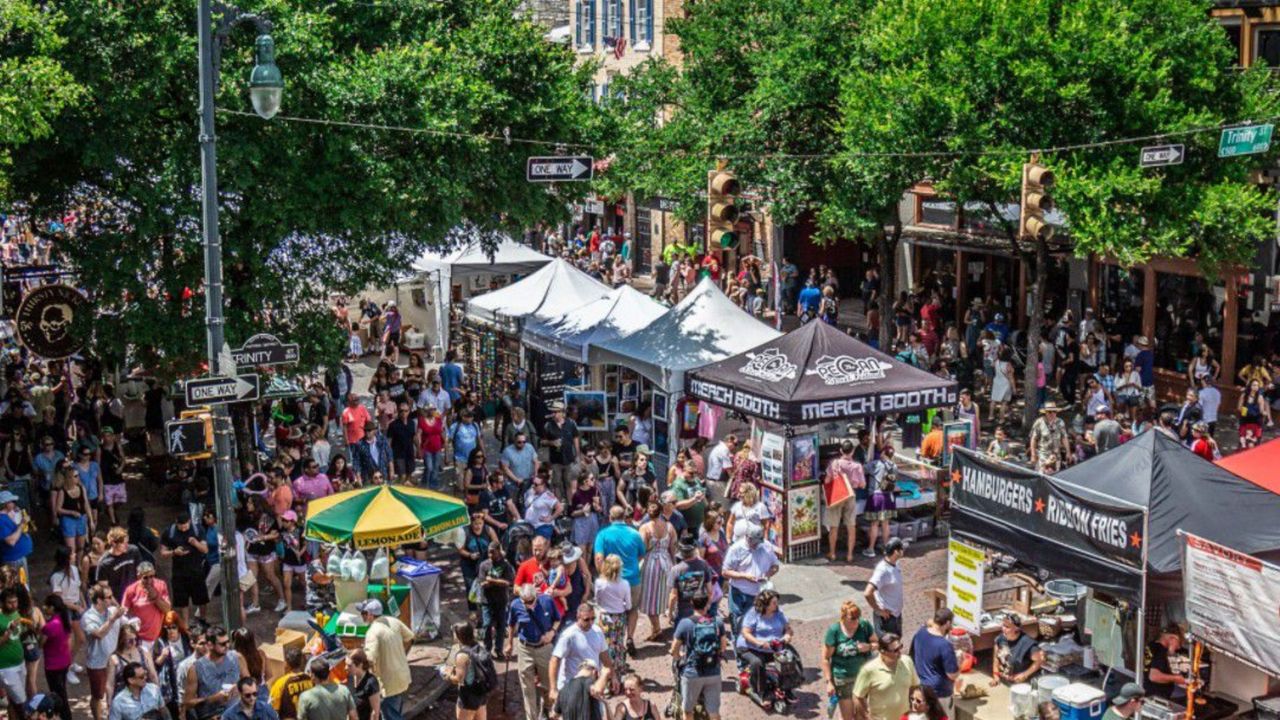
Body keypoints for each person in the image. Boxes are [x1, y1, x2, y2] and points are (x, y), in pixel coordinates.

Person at [593, 507, 645, 650]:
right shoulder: (635, 534)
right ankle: (630, 637)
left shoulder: (602, 534)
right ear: (624, 517)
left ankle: (613, 642)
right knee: (633, 609)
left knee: (611, 610)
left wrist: (604, 574)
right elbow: (641, 554)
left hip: (610, 580)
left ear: (610, 517)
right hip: (632, 579)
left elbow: (598, 558)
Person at [505, 584, 558, 720]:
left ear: (536, 595)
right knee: (527, 688)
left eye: (531, 601)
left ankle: (547, 707)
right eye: (525, 602)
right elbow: (511, 625)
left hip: (544, 648)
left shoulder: (547, 601)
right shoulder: (515, 605)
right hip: (525, 649)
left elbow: (557, 620)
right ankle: (532, 717)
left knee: (548, 683)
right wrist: (509, 643)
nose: (529, 605)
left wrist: (551, 633)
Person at [670, 593, 726, 720]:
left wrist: (679, 656)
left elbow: (674, 649)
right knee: (714, 712)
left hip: (692, 672)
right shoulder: (717, 622)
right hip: (713, 671)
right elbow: (723, 646)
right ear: (708, 604)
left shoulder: (685, 623)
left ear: (692, 603)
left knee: (688, 710)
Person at [356, 598, 413, 720]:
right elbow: (410, 637)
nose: (362, 616)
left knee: (391, 716)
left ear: (370, 614)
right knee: (396, 711)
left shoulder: (373, 632)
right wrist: (400, 653)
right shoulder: (394, 621)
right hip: (402, 676)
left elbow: (369, 660)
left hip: (388, 684)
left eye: (363, 614)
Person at [735, 589, 792, 703]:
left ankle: (786, 687)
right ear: (766, 604)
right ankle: (760, 691)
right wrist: (759, 642)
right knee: (757, 662)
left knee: (788, 659)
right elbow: (745, 633)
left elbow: (788, 629)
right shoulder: (753, 613)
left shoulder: (779, 613)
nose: (777, 605)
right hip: (750, 648)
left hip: (772, 647)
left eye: (777, 602)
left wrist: (787, 636)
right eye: (774, 603)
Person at [823, 600, 876, 720]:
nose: (856, 622)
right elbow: (826, 659)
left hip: (863, 677)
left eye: (858, 618)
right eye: (852, 619)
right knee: (847, 716)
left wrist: (869, 647)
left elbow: (877, 643)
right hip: (843, 679)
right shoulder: (834, 631)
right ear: (843, 618)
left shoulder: (864, 625)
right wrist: (829, 682)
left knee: (862, 715)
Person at [550, 604, 611, 707]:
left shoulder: (597, 631)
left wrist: (612, 677)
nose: (590, 622)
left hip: (593, 686)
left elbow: (604, 656)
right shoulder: (569, 635)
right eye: (586, 619)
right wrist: (553, 688)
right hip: (572, 687)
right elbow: (554, 660)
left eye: (593, 619)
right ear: (578, 617)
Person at [721, 528, 778, 634]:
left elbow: (775, 566)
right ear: (748, 538)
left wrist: (767, 575)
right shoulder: (735, 549)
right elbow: (725, 572)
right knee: (737, 626)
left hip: (757, 595)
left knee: (752, 627)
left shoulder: (766, 546)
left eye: (758, 542)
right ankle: (738, 649)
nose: (756, 545)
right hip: (738, 594)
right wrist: (744, 576)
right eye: (754, 543)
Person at [84, 583, 127, 720]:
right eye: (108, 597)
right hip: (97, 663)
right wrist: (113, 619)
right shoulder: (88, 617)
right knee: (98, 696)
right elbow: (99, 634)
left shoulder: (112, 610)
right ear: (99, 600)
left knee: (113, 691)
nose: (112, 599)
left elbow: (127, 624)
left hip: (113, 661)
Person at [852, 633, 918, 720]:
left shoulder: (907, 661)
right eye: (895, 650)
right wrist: (866, 716)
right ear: (882, 651)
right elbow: (857, 697)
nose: (899, 652)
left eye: (900, 647)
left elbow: (914, 687)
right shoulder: (869, 670)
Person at [160, 512, 209, 624]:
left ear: (189, 522)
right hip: (179, 572)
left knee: (201, 598)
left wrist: (195, 543)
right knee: (182, 601)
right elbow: (163, 553)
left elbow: (205, 549)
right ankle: (185, 624)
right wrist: (174, 552)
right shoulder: (169, 533)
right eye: (181, 527)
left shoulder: (198, 530)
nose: (183, 529)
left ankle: (203, 619)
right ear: (176, 523)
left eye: (186, 526)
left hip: (196, 569)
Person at [637, 499, 675, 642]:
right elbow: (673, 547)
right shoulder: (669, 526)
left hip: (651, 563)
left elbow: (642, 549)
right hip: (666, 562)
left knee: (650, 597)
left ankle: (657, 628)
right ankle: (659, 625)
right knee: (663, 594)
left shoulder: (645, 528)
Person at [184, 625, 241, 720]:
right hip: (213, 715)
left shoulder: (236, 657)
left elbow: (249, 681)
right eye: (222, 644)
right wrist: (213, 699)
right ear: (210, 645)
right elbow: (188, 703)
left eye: (228, 642)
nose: (227, 646)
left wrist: (239, 687)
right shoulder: (195, 668)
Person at [824, 440, 866, 562]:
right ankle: (849, 555)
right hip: (851, 495)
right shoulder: (857, 466)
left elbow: (827, 480)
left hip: (837, 496)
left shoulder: (834, 463)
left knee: (834, 526)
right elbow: (862, 485)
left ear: (841, 451)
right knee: (851, 526)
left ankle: (832, 553)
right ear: (852, 451)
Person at [593, 555, 631, 689]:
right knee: (618, 646)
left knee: (604, 647)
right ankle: (617, 677)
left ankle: (604, 676)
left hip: (604, 617)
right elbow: (629, 606)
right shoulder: (624, 584)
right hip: (619, 617)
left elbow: (596, 600)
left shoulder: (599, 583)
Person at [122, 561, 171, 654]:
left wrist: (156, 598)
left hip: (157, 637)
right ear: (139, 576)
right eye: (145, 577)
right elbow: (124, 613)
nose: (149, 580)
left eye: (152, 576)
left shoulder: (161, 585)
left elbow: (167, 609)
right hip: (139, 638)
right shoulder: (131, 590)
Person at [911, 608, 960, 701]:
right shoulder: (945, 645)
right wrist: (960, 662)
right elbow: (952, 675)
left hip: (921, 687)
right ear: (948, 623)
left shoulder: (920, 633)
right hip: (939, 693)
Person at [38, 595, 74, 720]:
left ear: (52, 608)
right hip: (64, 662)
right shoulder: (64, 620)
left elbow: (41, 643)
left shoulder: (51, 625)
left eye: (46, 606)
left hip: (53, 665)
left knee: (58, 696)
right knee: (62, 692)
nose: (44, 607)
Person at [476, 544, 514, 659]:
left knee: (501, 626)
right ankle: (487, 649)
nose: (490, 555)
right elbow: (482, 583)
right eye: (489, 552)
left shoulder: (505, 565)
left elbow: (508, 582)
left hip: (501, 601)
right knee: (487, 625)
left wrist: (492, 580)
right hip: (487, 601)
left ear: (499, 551)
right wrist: (498, 582)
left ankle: (499, 649)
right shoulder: (484, 565)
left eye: (493, 552)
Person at [153, 612, 192, 720]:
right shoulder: (160, 642)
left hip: (187, 678)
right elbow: (155, 664)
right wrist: (162, 656)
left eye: (173, 627)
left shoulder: (185, 638)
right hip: (171, 683)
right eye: (167, 628)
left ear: (178, 627)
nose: (170, 631)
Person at [865, 538, 905, 637]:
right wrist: (878, 610)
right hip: (887, 619)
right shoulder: (882, 571)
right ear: (896, 551)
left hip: (895, 615)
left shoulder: (895, 563)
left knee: (896, 644)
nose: (903, 551)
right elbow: (867, 593)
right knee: (888, 648)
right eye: (901, 549)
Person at [990, 613, 1044, 685]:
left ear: (1016, 628)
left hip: (1021, 684)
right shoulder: (1000, 639)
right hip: (1004, 679)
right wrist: (996, 676)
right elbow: (996, 658)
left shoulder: (1026, 643)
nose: (1003, 629)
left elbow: (1041, 659)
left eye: (1007, 627)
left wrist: (1025, 674)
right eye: (1003, 625)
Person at [666, 542, 714, 624]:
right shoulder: (704, 565)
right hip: (700, 610)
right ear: (694, 551)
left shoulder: (676, 570)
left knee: (681, 635)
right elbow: (710, 591)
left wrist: (670, 614)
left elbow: (673, 596)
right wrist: (707, 605)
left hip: (682, 612)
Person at [542, 402, 581, 498]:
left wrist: (577, 453)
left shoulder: (570, 423)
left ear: (562, 412)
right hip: (555, 460)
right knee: (557, 484)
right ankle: (559, 506)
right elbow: (542, 441)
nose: (554, 414)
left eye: (556, 412)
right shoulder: (548, 425)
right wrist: (551, 442)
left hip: (569, 459)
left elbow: (576, 438)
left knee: (569, 483)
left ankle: (570, 506)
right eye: (553, 412)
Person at [864, 447, 898, 556]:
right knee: (885, 524)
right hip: (888, 497)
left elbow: (862, 469)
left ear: (883, 453)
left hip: (876, 497)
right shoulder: (894, 466)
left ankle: (870, 549)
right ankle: (886, 549)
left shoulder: (875, 464)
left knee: (874, 524)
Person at [1145, 625, 1189, 700]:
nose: (1179, 647)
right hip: (1157, 696)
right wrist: (1177, 678)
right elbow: (1154, 676)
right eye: (1180, 643)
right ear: (1172, 638)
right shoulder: (1161, 651)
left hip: (1148, 691)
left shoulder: (1151, 645)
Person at [270, 647, 314, 720]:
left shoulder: (280, 683)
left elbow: (273, 708)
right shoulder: (310, 679)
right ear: (301, 662)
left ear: (286, 663)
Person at [1029, 403, 1071, 472]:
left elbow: (1064, 437)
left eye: (1054, 411)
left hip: (1056, 456)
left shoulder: (1060, 422)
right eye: (1049, 412)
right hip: (1043, 456)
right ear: (1045, 412)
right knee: (1042, 475)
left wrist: (1068, 452)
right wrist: (1033, 455)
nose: (1052, 414)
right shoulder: (1039, 422)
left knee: (1056, 475)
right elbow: (1033, 439)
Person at [346, 650, 380, 720]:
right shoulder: (350, 678)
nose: (345, 668)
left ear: (360, 665)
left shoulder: (371, 682)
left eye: (349, 666)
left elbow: (375, 713)